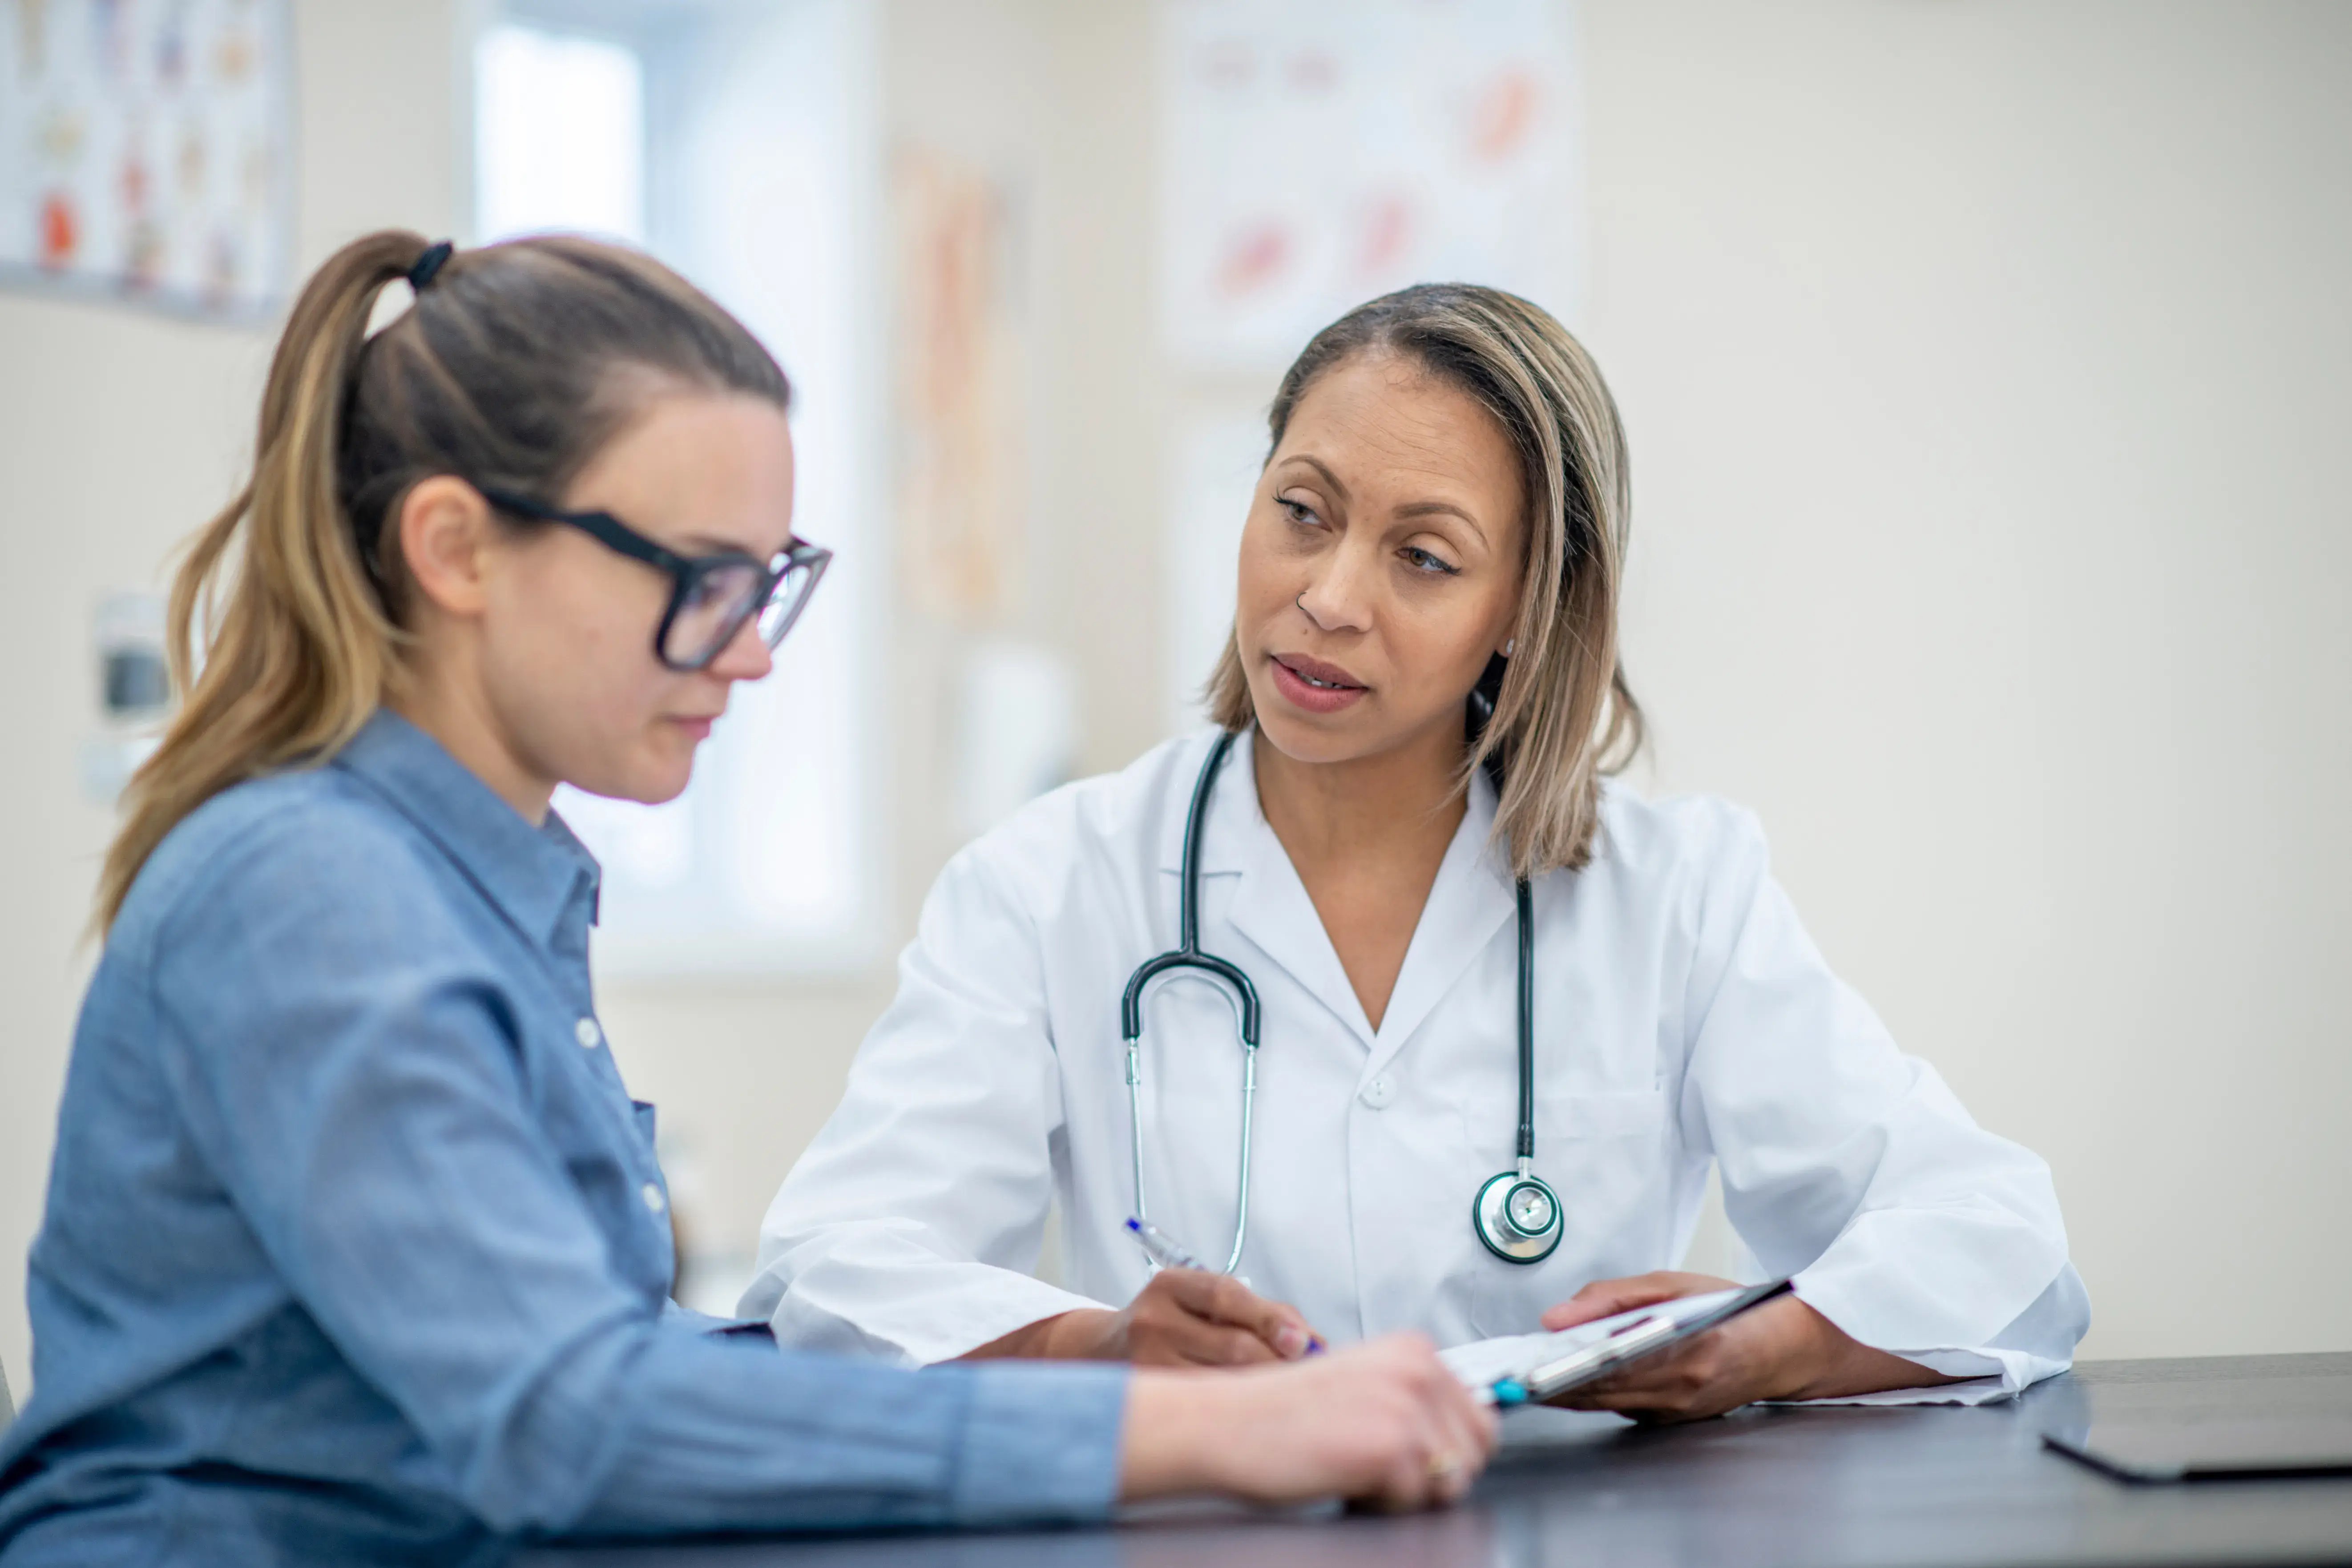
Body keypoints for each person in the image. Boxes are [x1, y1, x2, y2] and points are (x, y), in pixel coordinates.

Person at [0, 233, 1495, 1567]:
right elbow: (568, 1417)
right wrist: (1209, 1437)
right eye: (700, 579)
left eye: (768, 580)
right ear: (454, 548)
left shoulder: (478, 889)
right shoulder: (306, 894)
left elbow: (607, 1355)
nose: (753, 652)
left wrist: (1086, 1358)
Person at [746, 283, 2090, 1418]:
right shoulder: (1050, 887)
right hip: (1206, 1529)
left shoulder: (1675, 896)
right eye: (1304, 513)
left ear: (1525, 608)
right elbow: (834, 1270)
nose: (1327, 599)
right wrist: (1096, 1346)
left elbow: (2002, 1245)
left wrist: (1761, 1350)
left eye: (1425, 558)